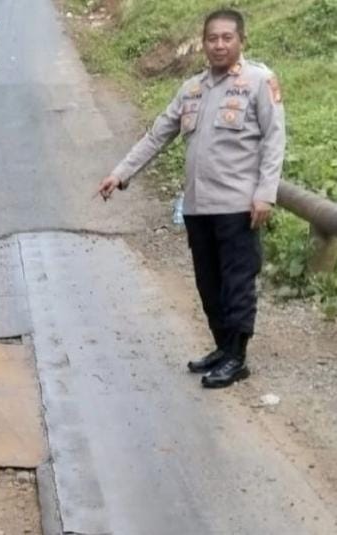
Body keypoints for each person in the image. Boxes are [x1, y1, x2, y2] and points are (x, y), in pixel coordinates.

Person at [97, 9, 286, 388]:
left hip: (238, 206)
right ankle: (222, 347)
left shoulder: (258, 82)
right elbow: (157, 135)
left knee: (236, 283)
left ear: (241, 41)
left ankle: (237, 357)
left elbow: (274, 139)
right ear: (203, 43)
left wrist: (265, 194)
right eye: (212, 38)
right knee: (208, 282)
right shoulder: (192, 89)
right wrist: (121, 173)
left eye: (226, 38)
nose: (219, 45)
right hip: (199, 208)